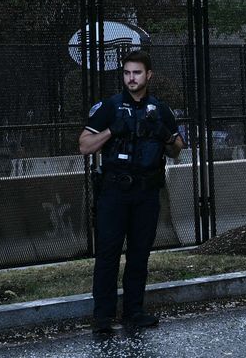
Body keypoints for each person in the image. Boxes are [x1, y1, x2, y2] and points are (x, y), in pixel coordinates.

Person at [81, 49, 184, 337]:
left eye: (137, 73)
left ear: (148, 75)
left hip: (146, 192)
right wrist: (112, 131)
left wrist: (164, 134)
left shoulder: (160, 109)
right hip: (114, 191)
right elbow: (85, 145)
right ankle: (102, 316)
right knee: (108, 254)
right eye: (127, 73)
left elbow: (177, 149)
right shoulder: (110, 107)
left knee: (140, 254)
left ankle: (133, 312)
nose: (131, 78)